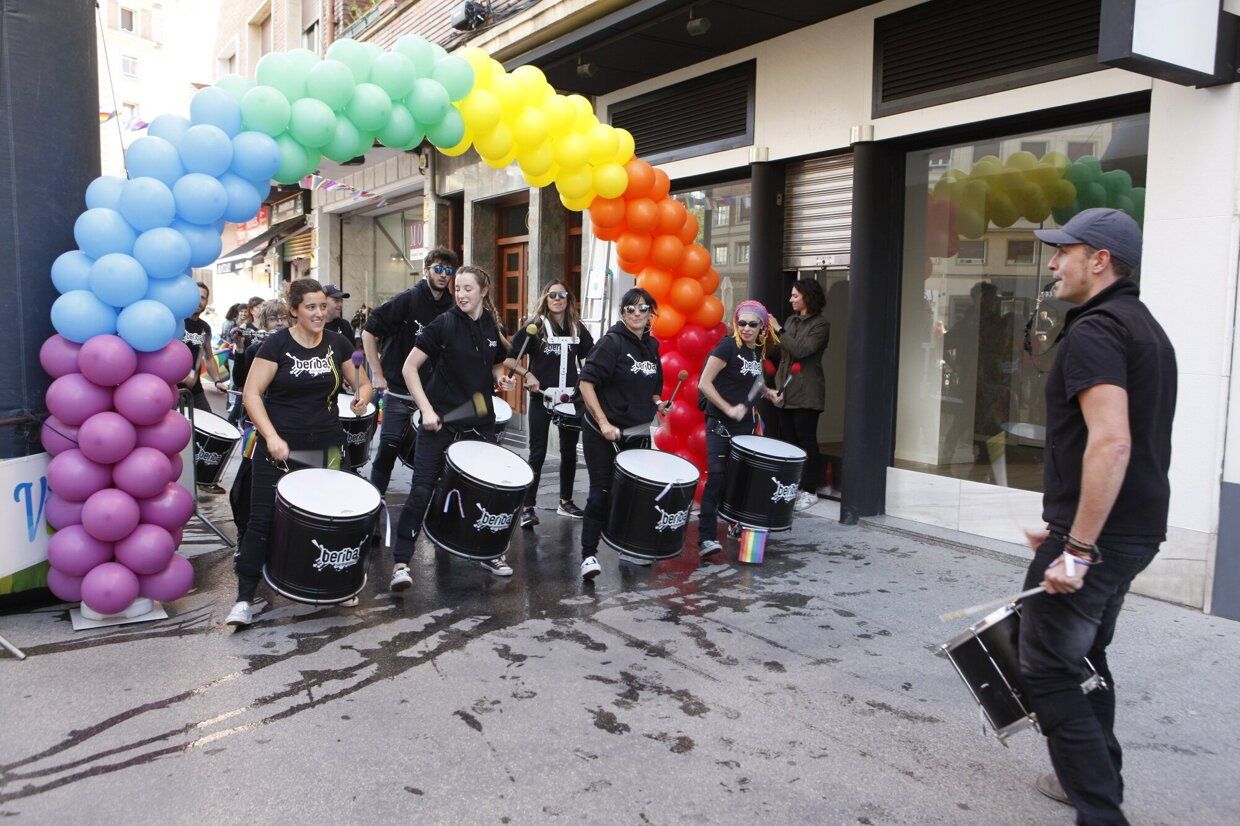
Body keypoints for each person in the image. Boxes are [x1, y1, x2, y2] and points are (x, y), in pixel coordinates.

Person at [1018, 208, 1176, 825]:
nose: (1054, 264)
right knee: (1087, 654)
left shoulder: (1097, 331)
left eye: (1064, 252)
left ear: (1100, 260)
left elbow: (1112, 443)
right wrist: (1062, 521)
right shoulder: (1145, 328)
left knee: (1048, 668)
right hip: (1131, 529)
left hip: (1101, 539)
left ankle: (1099, 810)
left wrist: (1076, 546)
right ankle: (1092, 777)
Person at [225, 280, 372, 627]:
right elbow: (251, 395)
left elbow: (362, 380)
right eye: (311, 307)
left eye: (323, 306)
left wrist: (363, 395)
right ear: (293, 309)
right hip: (279, 445)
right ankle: (245, 598)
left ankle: (339, 584)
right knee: (261, 520)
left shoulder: (339, 344)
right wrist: (271, 436)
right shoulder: (275, 345)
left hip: (329, 444)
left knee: (339, 513)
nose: (320, 313)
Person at [389, 266, 516, 590]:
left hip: (480, 422)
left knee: (486, 492)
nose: (460, 294)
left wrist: (499, 377)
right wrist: (426, 409)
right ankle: (402, 562)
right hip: (441, 421)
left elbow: (495, 362)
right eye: (457, 288)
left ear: (483, 291)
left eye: (467, 288)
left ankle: (488, 552)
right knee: (421, 490)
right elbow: (409, 368)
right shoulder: (443, 324)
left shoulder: (490, 324)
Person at [577, 287, 668, 580]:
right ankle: (588, 555)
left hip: (636, 431)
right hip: (603, 432)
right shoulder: (611, 343)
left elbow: (653, 386)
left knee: (634, 494)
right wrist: (603, 423)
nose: (638, 314)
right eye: (631, 308)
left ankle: (629, 547)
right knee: (601, 492)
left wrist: (659, 403)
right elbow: (586, 384)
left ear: (651, 313)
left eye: (644, 308)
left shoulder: (652, 347)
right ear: (622, 312)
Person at [362, 248, 457, 495]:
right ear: (426, 270)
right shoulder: (407, 300)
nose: (443, 275)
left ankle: (423, 507)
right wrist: (377, 374)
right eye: (438, 269)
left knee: (430, 455)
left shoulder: (452, 307)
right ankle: (374, 501)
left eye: (448, 271)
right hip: (399, 392)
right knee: (389, 447)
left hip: (433, 396)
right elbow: (368, 331)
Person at [504, 280, 595, 529]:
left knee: (568, 453)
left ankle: (565, 501)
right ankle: (527, 507)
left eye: (562, 294)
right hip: (541, 398)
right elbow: (510, 359)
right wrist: (528, 374)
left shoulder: (578, 328)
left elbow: (592, 357)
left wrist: (588, 378)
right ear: (545, 298)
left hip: (570, 399)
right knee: (538, 452)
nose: (558, 299)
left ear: (569, 298)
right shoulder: (535, 327)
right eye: (552, 295)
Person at [696, 300, 780, 556]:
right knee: (717, 479)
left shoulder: (756, 352)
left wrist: (769, 393)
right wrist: (727, 408)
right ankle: (707, 538)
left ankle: (736, 524)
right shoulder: (727, 346)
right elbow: (704, 383)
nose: (745, 328)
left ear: (762, 327)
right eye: (741, 323)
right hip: (720, 427)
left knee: (739, 480)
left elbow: (753, 381)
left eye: (752, 324)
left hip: (744, 428)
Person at [227, 298, 290, 542]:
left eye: (283, 318)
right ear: (264, 322)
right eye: (273, 318)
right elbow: (241, 381)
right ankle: (246, 532)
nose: (279, 323)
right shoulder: (256, 348)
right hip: (257, 424)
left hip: (287, 423)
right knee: (248, 477)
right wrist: (241, 349)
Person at [770, 278, 830, 512]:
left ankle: (810, 489)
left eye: (795, 296)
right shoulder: (791, 320)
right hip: (786, 390)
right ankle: (793, 486)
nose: (791, 299)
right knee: (790, 442)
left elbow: (801, 350)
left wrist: (779, 330)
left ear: (807, 297)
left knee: (806, 441)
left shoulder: (821, 324)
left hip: (807, 391)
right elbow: (783, 353)